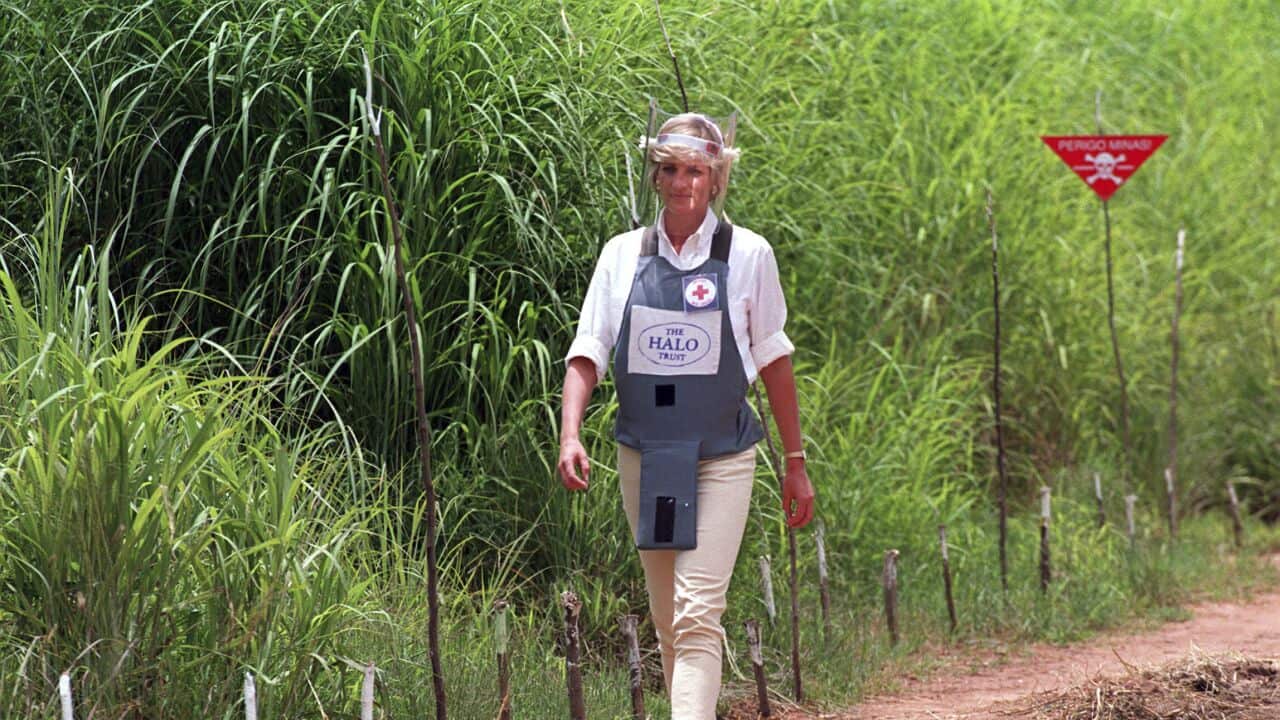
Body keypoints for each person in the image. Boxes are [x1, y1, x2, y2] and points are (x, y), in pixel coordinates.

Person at [557, 111, 814, 719]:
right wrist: (571, 433)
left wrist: (796, 462)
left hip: (722, 457)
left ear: (717, 177)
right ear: (654, 176)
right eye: (669, 169)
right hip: (645, 458)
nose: (682, 183)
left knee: (699, 612)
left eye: (695, 170)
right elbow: (588, 349)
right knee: (668, 616)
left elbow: (775, 361)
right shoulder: (623, 255)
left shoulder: (749, 254)